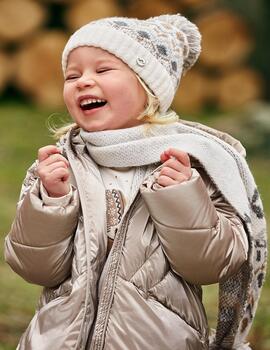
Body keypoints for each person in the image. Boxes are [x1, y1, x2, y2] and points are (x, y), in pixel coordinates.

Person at [4, 14, 267, 350]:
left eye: (102, 70)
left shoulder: (187, 168)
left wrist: (181, 198)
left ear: (148, 88)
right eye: (72, 75)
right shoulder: (60, 167)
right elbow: (35, 268)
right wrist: (52, 203)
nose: (83, 81)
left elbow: (211, 265)